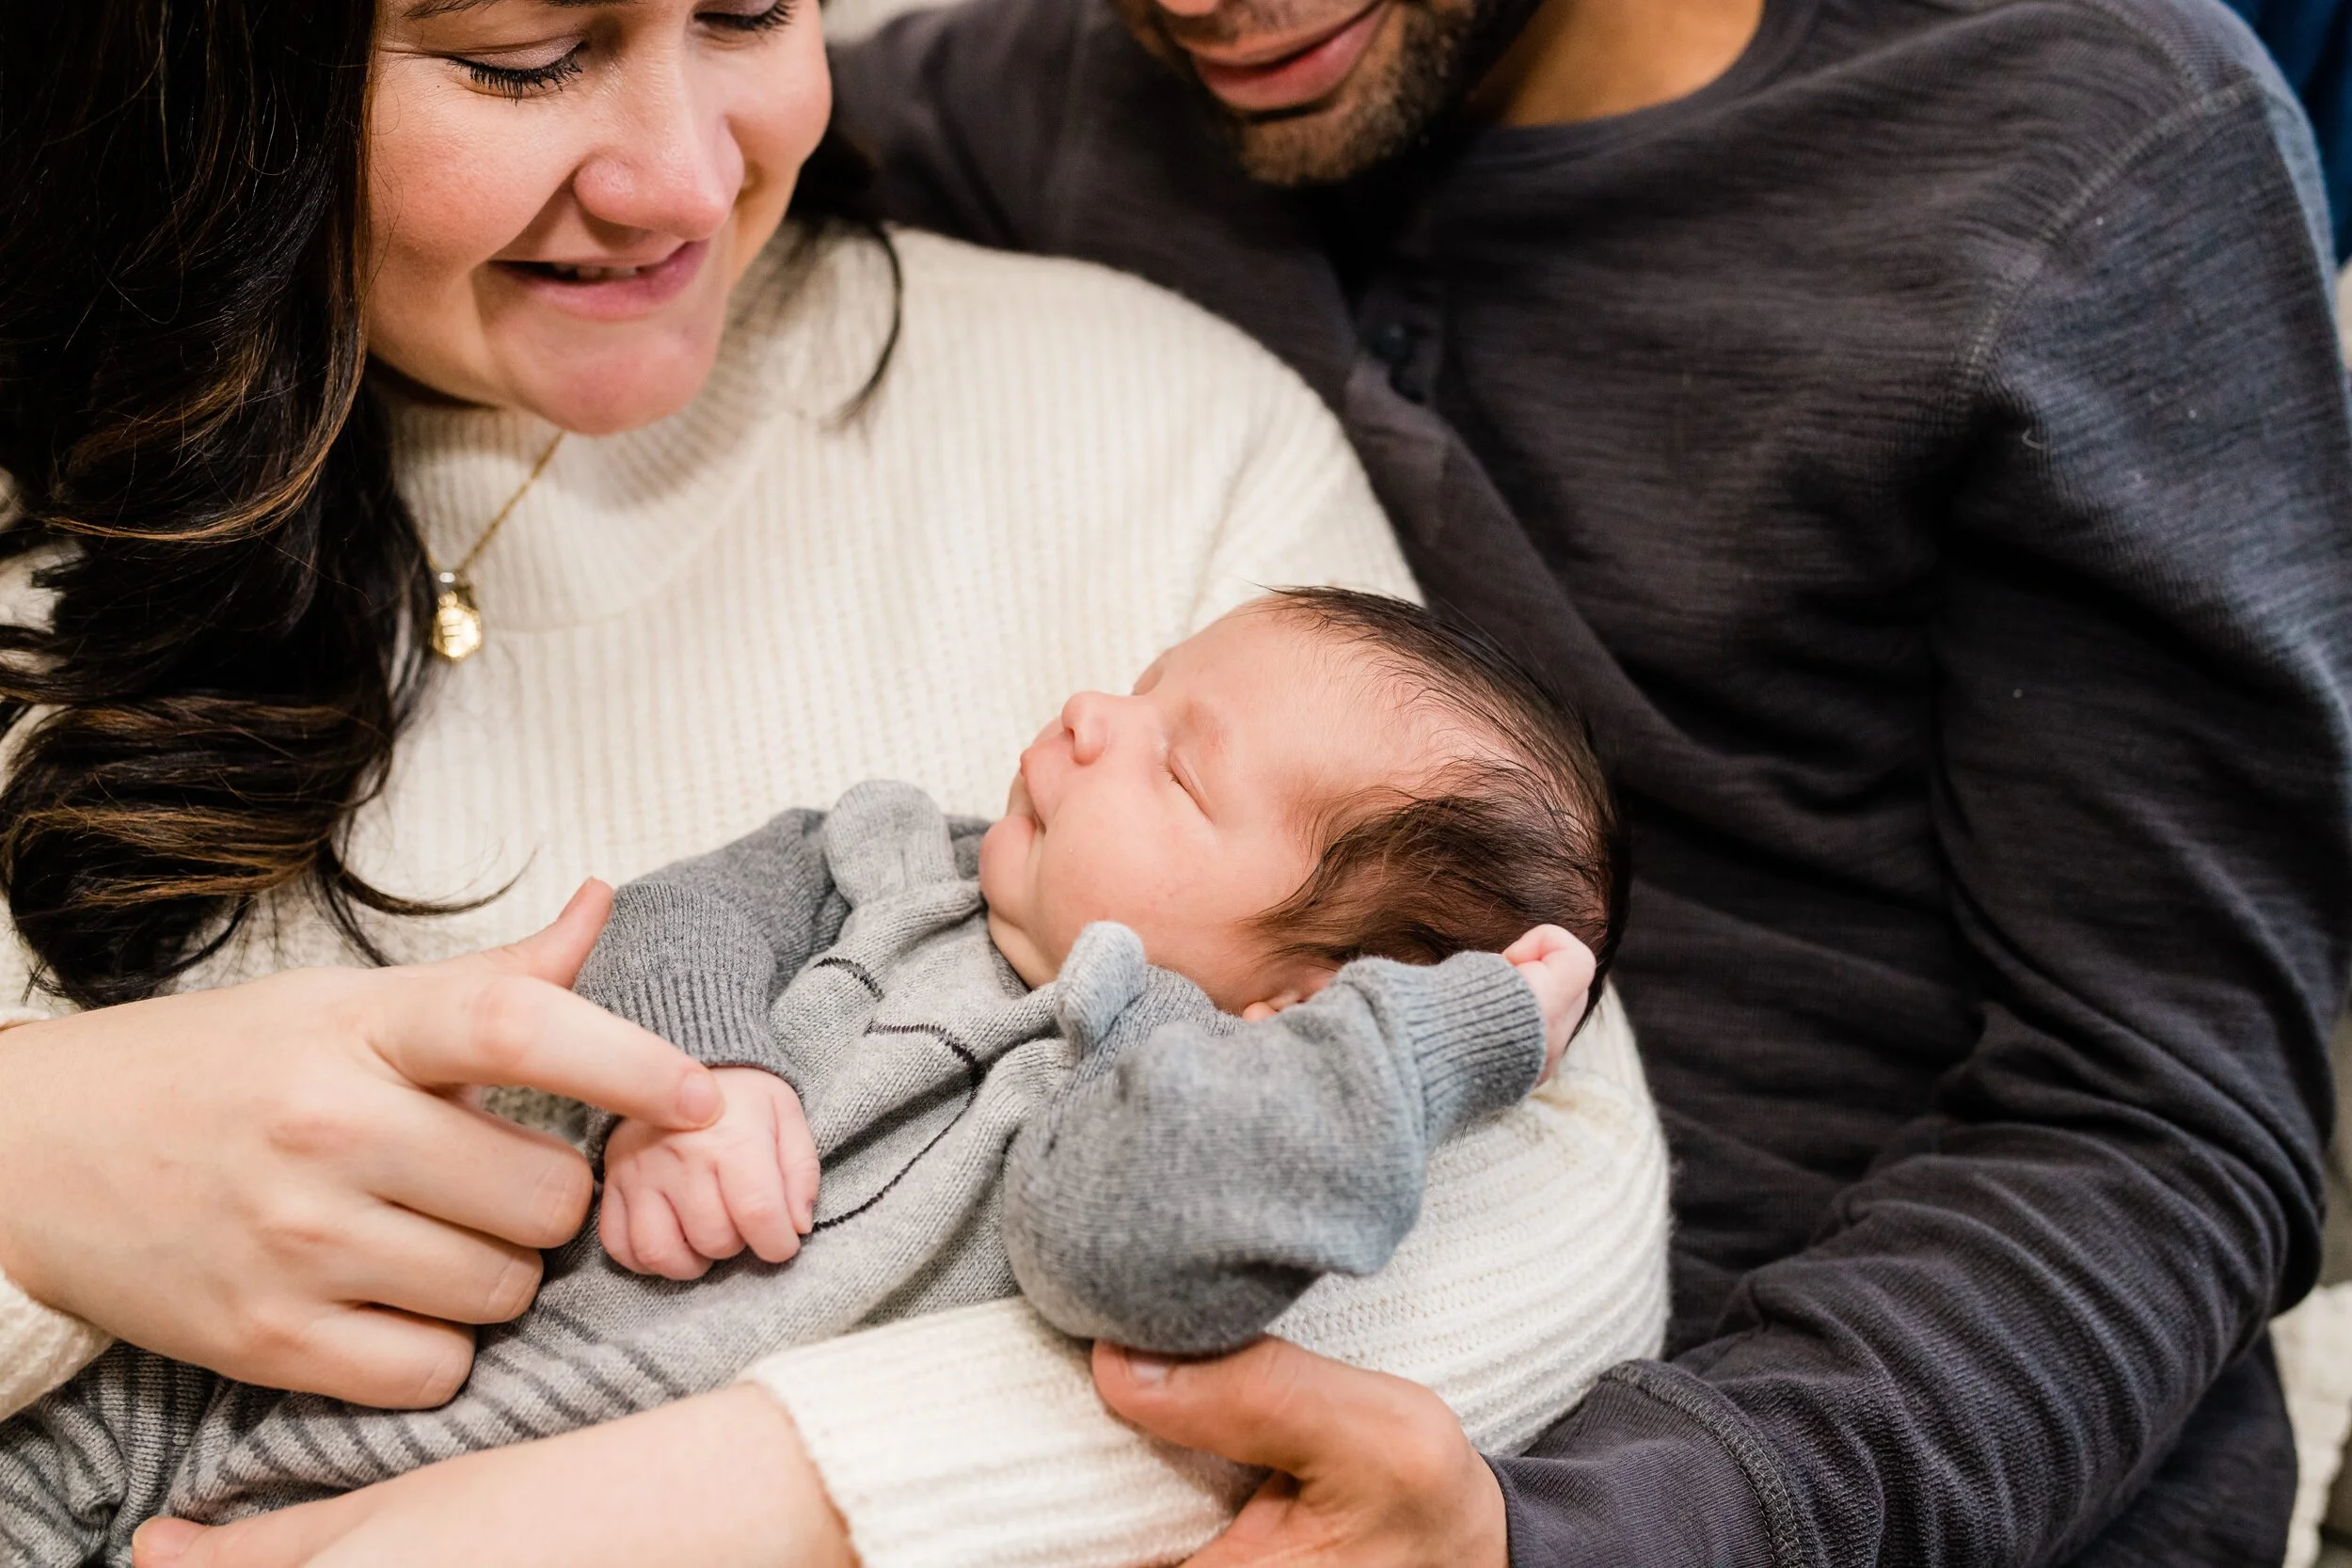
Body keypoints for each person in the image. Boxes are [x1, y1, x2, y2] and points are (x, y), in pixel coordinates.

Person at [0, 1, 1667, 1565]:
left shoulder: (1156, 431)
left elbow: (1545, 1221)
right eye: (525, 54)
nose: (683, 178)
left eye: (746, 11)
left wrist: (706, 1494)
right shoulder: (47, 542)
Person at [821, 0, 2352, 1564]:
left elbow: (2162, 1119)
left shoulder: (2086, 138)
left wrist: (1590, 1535)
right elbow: (696, 113)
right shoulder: (1093, 88)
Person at [3, 593, 1657, 1563]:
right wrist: (698, 1077)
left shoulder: (1143, 1090)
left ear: (1309, 1001)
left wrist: (1428, 1048)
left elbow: (1131, 1254)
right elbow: (673, 916)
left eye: (1177, 761)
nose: (1091, 715)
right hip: (255, 1348)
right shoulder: (879, 852)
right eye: (1136, 688)